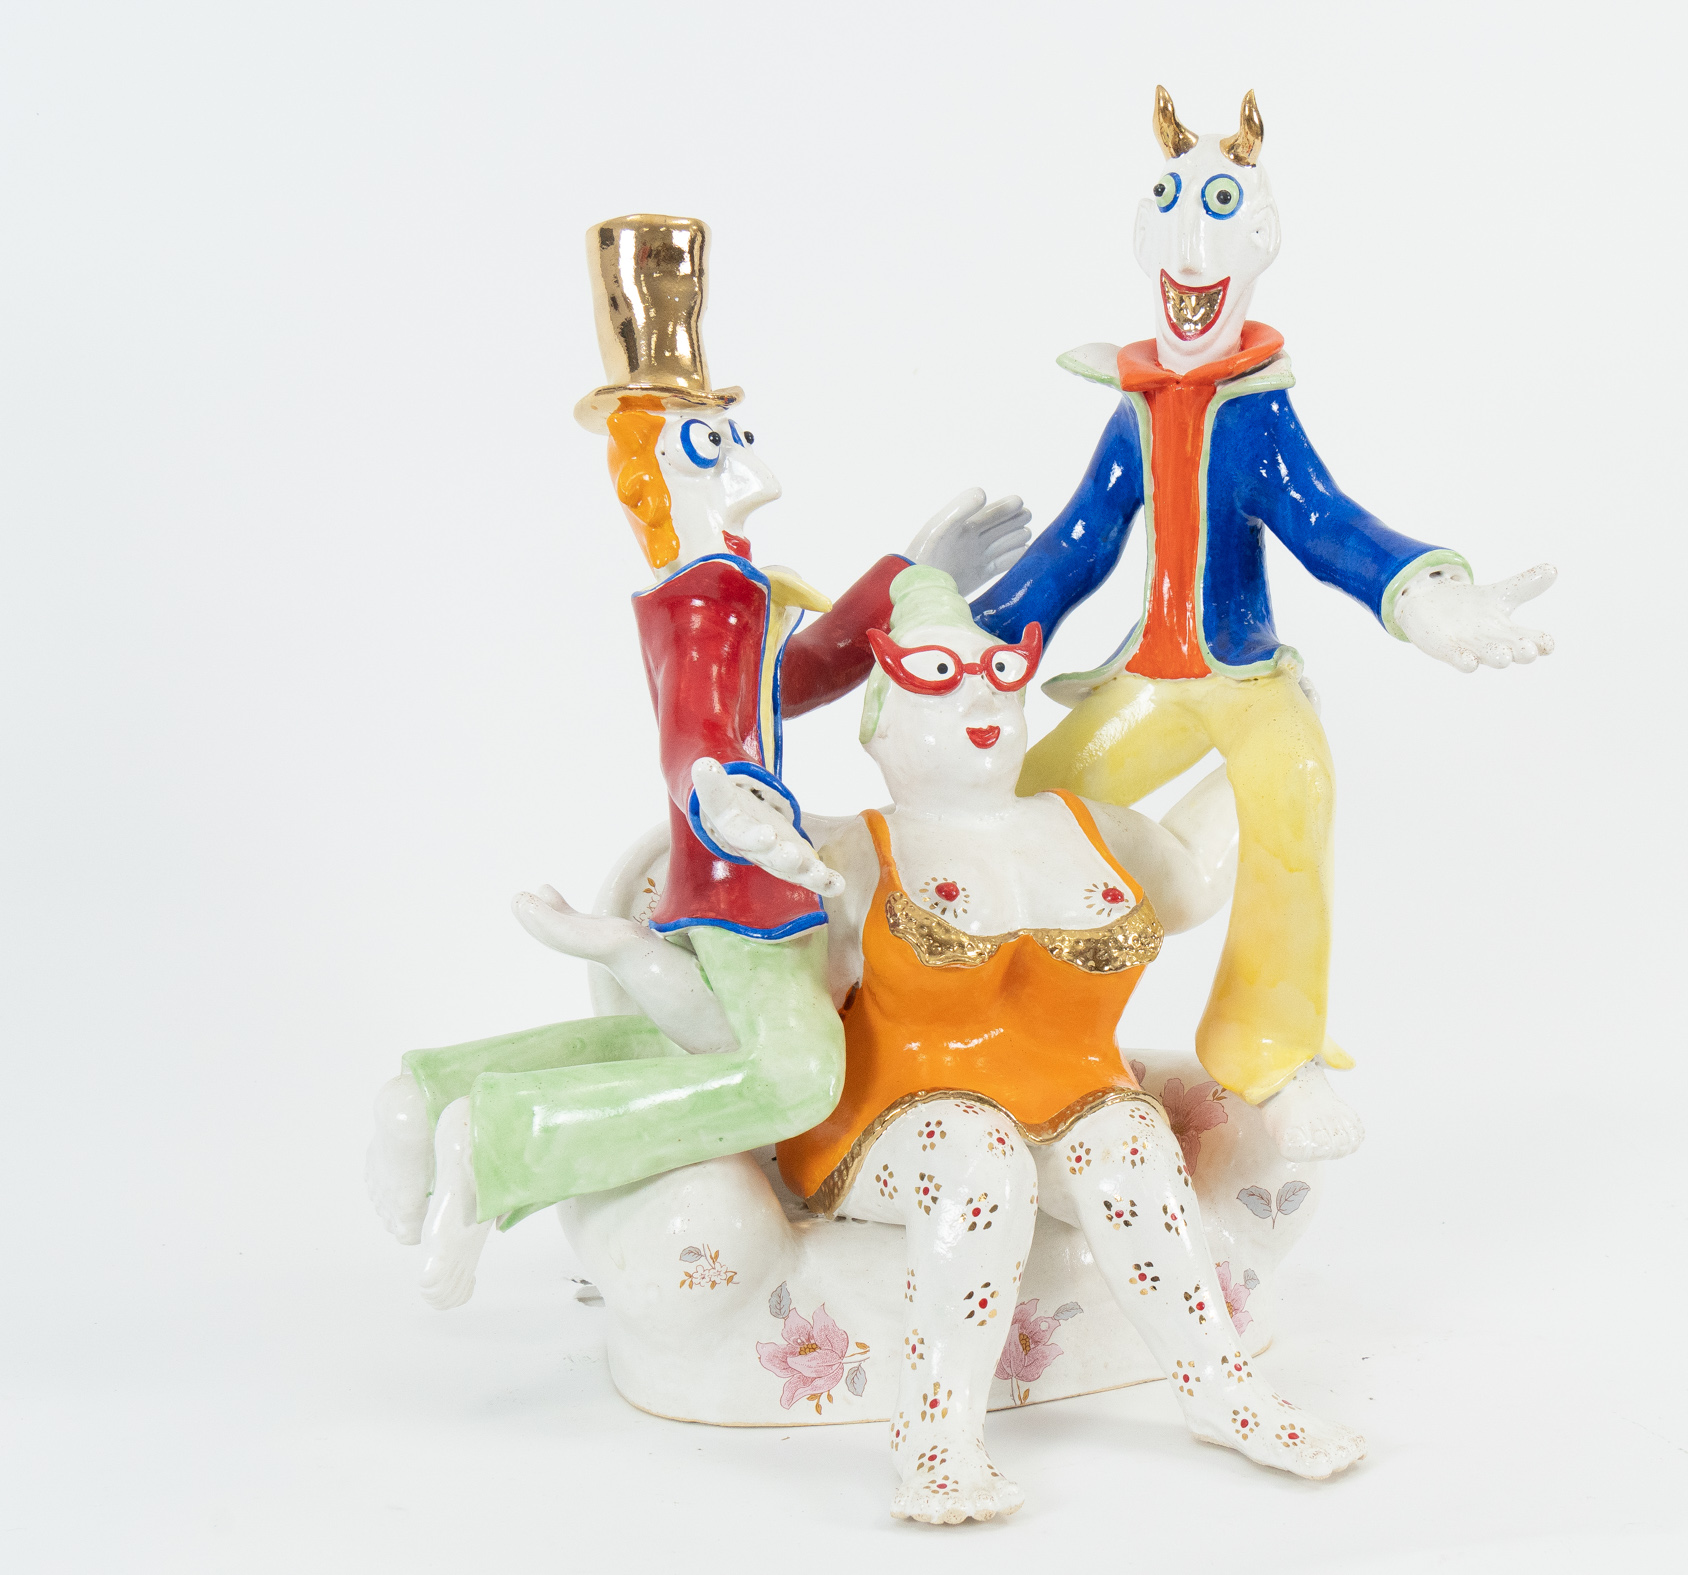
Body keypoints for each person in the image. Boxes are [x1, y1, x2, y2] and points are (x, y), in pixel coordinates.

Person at [519, 566, 1365, 1522]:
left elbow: (1199, 878)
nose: (979, 702)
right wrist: (625, 951)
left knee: (1131, 1141)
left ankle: (1222, 1389)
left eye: (1000, 675)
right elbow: (739, 1022)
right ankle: (937, 1433)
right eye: (936, 678)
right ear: (878, 725)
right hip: (889, 1117)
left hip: (1077, 1095)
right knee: (976, 1151)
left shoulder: (1090, 828)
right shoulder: (843, 852)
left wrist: (1274, 737)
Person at [364, 215, 1030, 1308]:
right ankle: (498, 1143)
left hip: (730, 868)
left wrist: (909, 574)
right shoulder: (711, 596)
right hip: (745, 885)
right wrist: (733, 806)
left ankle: (437, 1092)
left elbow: (792, 681)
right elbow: (697, 741)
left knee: (684, 1043)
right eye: (710, 438)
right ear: (659, 471)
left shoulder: (720, 587)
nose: (742, 448)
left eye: (730, 428)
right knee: (795, 1076)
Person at [966, 89, 1557, 1127]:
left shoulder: (1259, 416)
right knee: (1016, 809)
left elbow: (1324, 522)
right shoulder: (1134, 412)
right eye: (1171, 212)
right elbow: (1078, 542)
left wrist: (1422, 592)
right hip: (1149, 683)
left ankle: (1267, 1045)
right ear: (1143, 238)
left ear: (1260, 241)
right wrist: (962, 634)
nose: (1191, 252)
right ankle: (978, 1024)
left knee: (1296, 785)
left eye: (1219, 213)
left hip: (1244, 680)